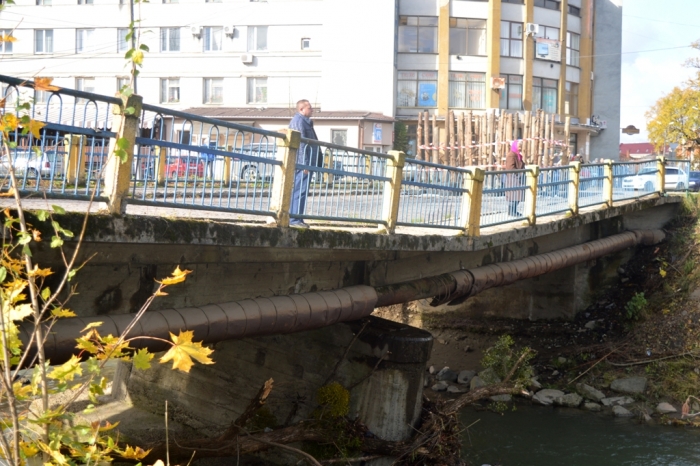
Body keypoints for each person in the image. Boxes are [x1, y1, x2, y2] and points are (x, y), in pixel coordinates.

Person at [288, 99, 321, 228]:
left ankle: (298, 218)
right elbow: (300, 143)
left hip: (308, 163)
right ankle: (294, 219)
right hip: (303, 164)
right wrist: (304, 164)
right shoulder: (298, 121)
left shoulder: (305, 122)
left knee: (302, 191)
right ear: (301, 109)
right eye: (309, 108)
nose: (312, 110)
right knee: (299, 190)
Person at [505, 139, 525, 217]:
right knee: (513, 195)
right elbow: (510, 167)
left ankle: (513, 210)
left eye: (521, 146)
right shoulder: (511, 155)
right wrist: (519, 172)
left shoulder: (517, 155)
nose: (520, 147)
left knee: (517, 195)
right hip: (513, 178)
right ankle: (511, 211)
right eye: (519, 145)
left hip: (516, 178)